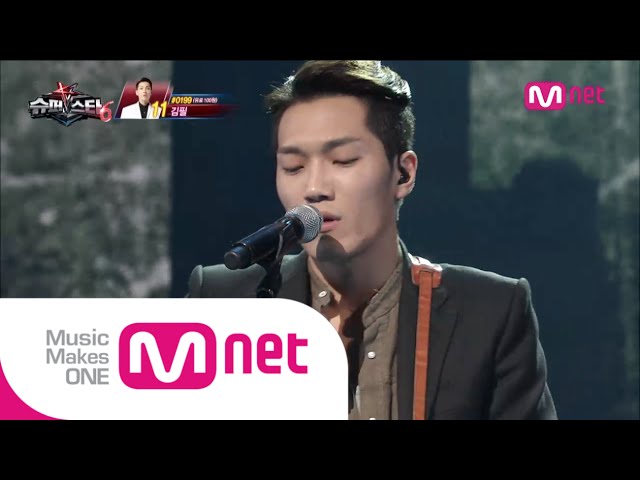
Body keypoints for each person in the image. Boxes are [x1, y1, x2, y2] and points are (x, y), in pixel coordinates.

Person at [186, 60, 558, 420]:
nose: (314, 188)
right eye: (293, 167)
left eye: (344, 160)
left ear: (403, 174)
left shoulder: (489, 312)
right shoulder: (224, 301)